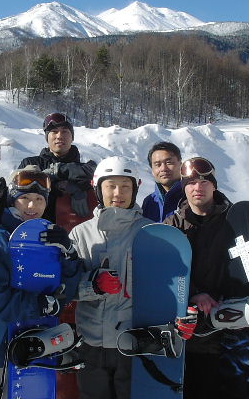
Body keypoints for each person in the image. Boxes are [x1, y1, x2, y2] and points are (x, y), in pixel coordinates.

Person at [0, 165, 80, 398]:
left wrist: (69, 254)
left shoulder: (50, 240)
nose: (32, 206)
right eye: (24, 198)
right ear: (12, 201)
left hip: (42, 346)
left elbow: (67, 292)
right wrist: (39, 304)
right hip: (3, 351)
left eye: (39, 199)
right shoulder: (0, 240)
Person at [69, 156, 153, 399]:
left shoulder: (150, 233)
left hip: (132, 341)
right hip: (90, 343)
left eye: (125, 186)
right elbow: (66, 286)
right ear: (98, 189)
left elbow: (161, 288)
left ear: (135, 189)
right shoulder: (80, 234)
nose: (118, 193)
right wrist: (92, 285)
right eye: (111, 186)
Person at [164, 157, 239, 398]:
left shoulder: (234, 223)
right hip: (182, 326)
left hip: (222, 327)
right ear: (184, 187)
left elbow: (244, 269)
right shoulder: (171, 226)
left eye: (204, 181)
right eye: (191, 182)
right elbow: (164, 272)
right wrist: (193, 293)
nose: (198, 187)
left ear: (214, 185)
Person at [18, 113, 96, 223]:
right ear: (47, 137)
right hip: (36, 229)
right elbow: (18, 196)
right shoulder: (30, 163)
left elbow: (100, 179)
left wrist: (80, 186)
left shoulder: (87, 168)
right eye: (54, 131)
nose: (59, 136)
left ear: (72, 137)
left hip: (76, 231)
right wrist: (56, 187)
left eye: (65, 131)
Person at [141, 141, 184, 221]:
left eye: (169, 162)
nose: (163, 168)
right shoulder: (149, 202)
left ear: (181, 164)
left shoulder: (192, 197)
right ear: (152, 169)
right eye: (157, 165)